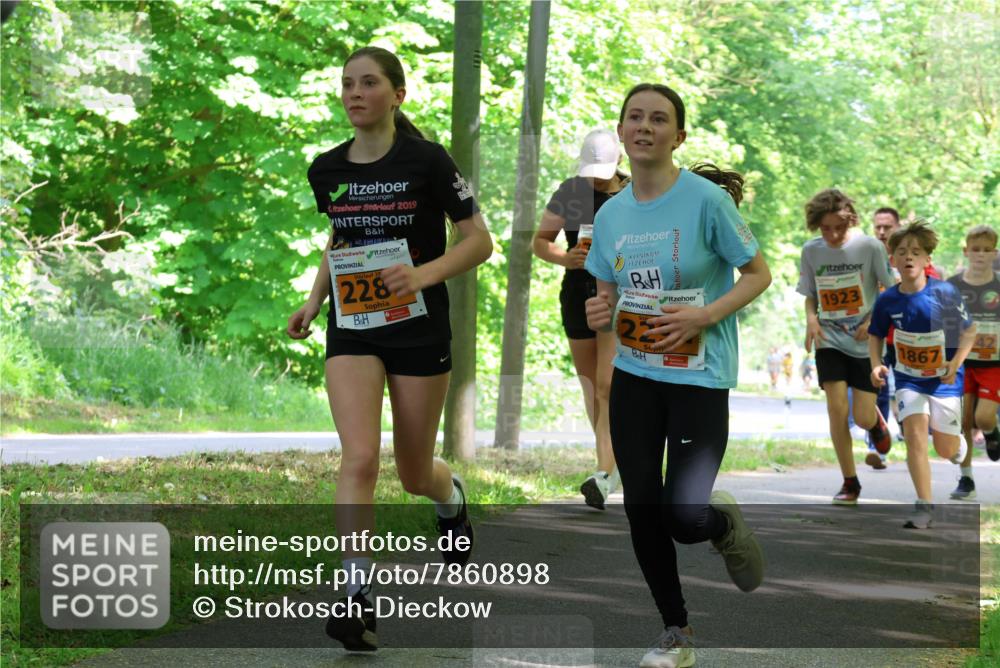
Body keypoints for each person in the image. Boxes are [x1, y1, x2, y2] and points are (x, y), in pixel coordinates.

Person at [286, 46, 493, 651]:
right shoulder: (326, 169)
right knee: (358, 458)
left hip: (419, 327)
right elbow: (339, 237)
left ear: (396, 94)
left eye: (369, 83)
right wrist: (315, 299)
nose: (354, 93)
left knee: (411, 472)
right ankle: (355, 596)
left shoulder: (427, 160)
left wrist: (423, 276)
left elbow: (478, 241)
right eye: (347, 83)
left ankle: (450, 500)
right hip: (353, 326)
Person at [584, 82, 770, 668]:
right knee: (642, 507)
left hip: (698, 375)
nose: (644, 126)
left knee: (683, 517)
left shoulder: (707, 202)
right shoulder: (610, 213)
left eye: (658, 119)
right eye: (634, 117)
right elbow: (606, 292)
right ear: (620, 132)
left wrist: (706, 313)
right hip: (637, 375)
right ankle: (676, 632)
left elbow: (757, 273)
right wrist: (599, 311)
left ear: (678, 135)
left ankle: (721, 523)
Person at [533, 129, 627, 509]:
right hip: (577, 294)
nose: (597, 179)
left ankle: (606, 473)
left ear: (619, 162)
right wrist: (564, 257)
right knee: (591, 387)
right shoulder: (570, 191)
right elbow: (540, 241)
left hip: (617, 296)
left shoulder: (633, 192)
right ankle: (606, 467)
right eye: (591, 171)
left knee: (607, 385)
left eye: (603, 171)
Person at [869, 220, 975, 528]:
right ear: (894, 261)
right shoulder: (888, 298)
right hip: (907, 379)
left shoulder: (945, 292)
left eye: (916, 251)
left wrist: (955, 364)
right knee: (915, 437)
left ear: (927, 259)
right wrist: (876, 364)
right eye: (902, 251)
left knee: (946, 449)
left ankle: (959, 447)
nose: (909, 256)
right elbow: (875, 334)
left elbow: (970, 331)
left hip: (944, 380)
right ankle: (923, 507)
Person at [797, 189, 894, 505]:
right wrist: (812, 318)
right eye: (826, 229)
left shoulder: (870, 247)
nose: (833, 235)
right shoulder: (811, 251)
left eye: (839, 227)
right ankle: (850, 481)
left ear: (850, 218)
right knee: (836, 408)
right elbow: (810, 294)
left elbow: (889, 291)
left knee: (862, 417)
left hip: (864, 342)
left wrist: (874, 321)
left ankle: (875, 421)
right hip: (829, 339)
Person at [947, 225, 1000, 500]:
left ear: (995, 253)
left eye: (986, 250)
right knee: (964, 422)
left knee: (983, 417)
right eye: (975, 250)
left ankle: (992, 432)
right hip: (962, 363)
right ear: (966, 252)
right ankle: (966, 479)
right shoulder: (953, 286)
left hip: (994, 364)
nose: (980, 255)